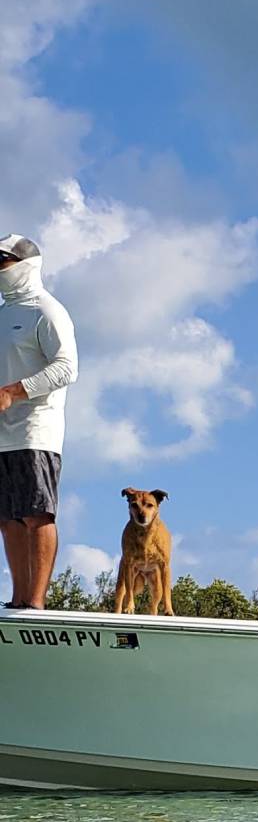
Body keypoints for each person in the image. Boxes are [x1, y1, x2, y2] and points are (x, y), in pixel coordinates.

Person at [0, 235, 77, 610]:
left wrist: (15, 391)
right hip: (1, 434)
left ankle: (35, 602)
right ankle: (16, 601)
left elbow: (66, 367)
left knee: (35, 513)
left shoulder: (46, 310)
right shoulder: (2, 314)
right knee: (7, 518)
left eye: (3, 261)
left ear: (26, 263)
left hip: (35, 430)